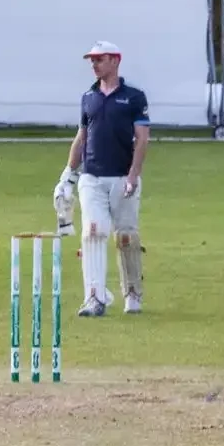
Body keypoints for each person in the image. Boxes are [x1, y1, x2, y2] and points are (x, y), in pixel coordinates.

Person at [54, 41, 150, 317]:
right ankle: (94, 298)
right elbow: (81, 138)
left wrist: (134, 174)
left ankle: (132, 292)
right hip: (92, 177)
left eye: (99, 59)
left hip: (122, 177)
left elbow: (142, 139)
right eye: (91, 60)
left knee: (126, 237)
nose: (94, 64)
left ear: (115, 61)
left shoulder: (134, 97)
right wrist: (67, 176)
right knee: (93, 231)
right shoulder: (88, 97)